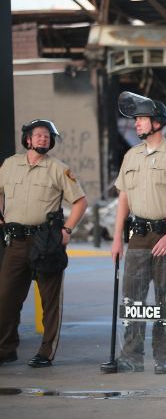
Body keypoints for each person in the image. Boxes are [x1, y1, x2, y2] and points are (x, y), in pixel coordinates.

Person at [111, 92, 166, 374]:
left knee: (164, 298)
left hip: (165, 235)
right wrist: (116, 239)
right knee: (132, 299)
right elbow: (123, 198)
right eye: (136, 120)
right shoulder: (131, 155)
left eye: (141, 119)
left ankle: (163, 357)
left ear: (157, 122)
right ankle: (130, 357)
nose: (136, 124)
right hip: (137, 235)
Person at [0, 119, 88, 368]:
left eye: (47, 136)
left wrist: (67, 229)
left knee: (50, 301)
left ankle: (46, 352)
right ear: (27, 139)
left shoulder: (59, 169)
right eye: (38, 135)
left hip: (46, 242)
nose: (43, 139)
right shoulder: (10, 165)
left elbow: (80, 202)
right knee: (6, 298)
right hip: (16, 242)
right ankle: (6, 349)